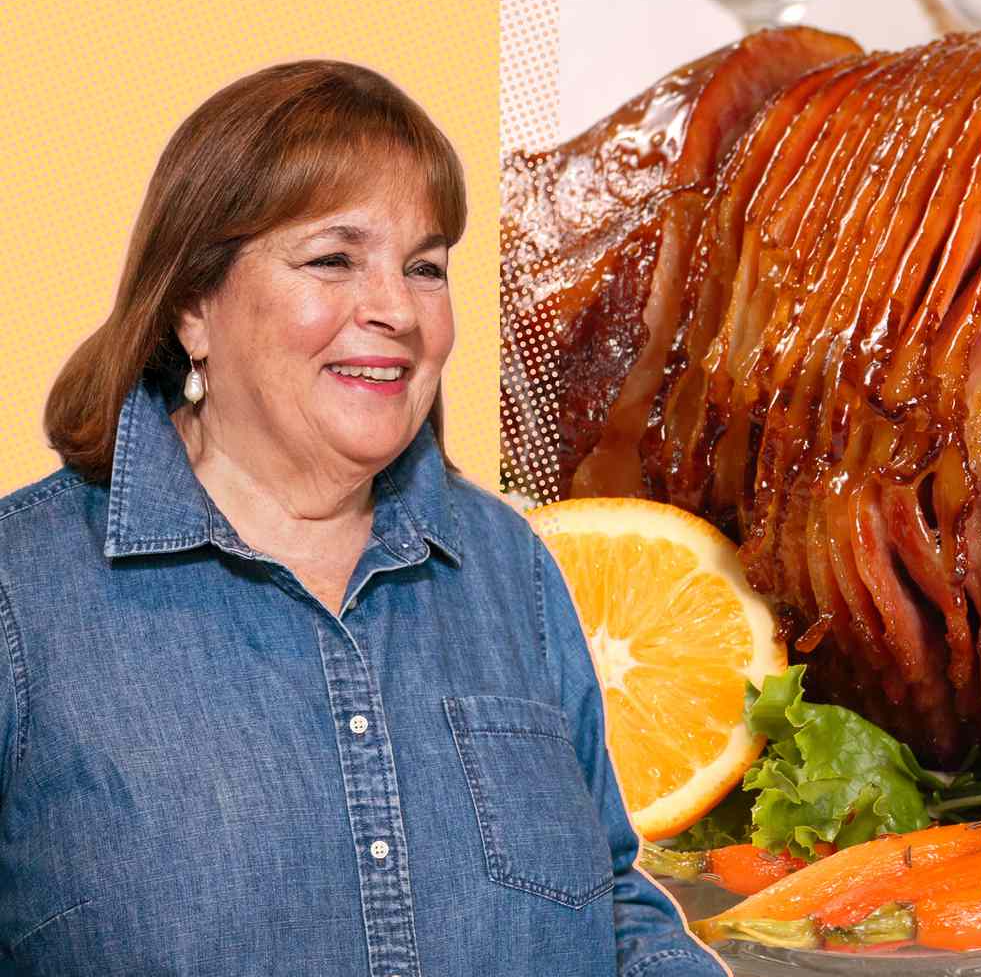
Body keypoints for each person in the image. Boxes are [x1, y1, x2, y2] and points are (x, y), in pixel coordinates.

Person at [0, 59, 728, 977]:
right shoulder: (21, 594)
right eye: (334, 260)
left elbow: (616, 905)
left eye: (425, 267)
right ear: (193, 303)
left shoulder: (508, 563)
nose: (396, 310)